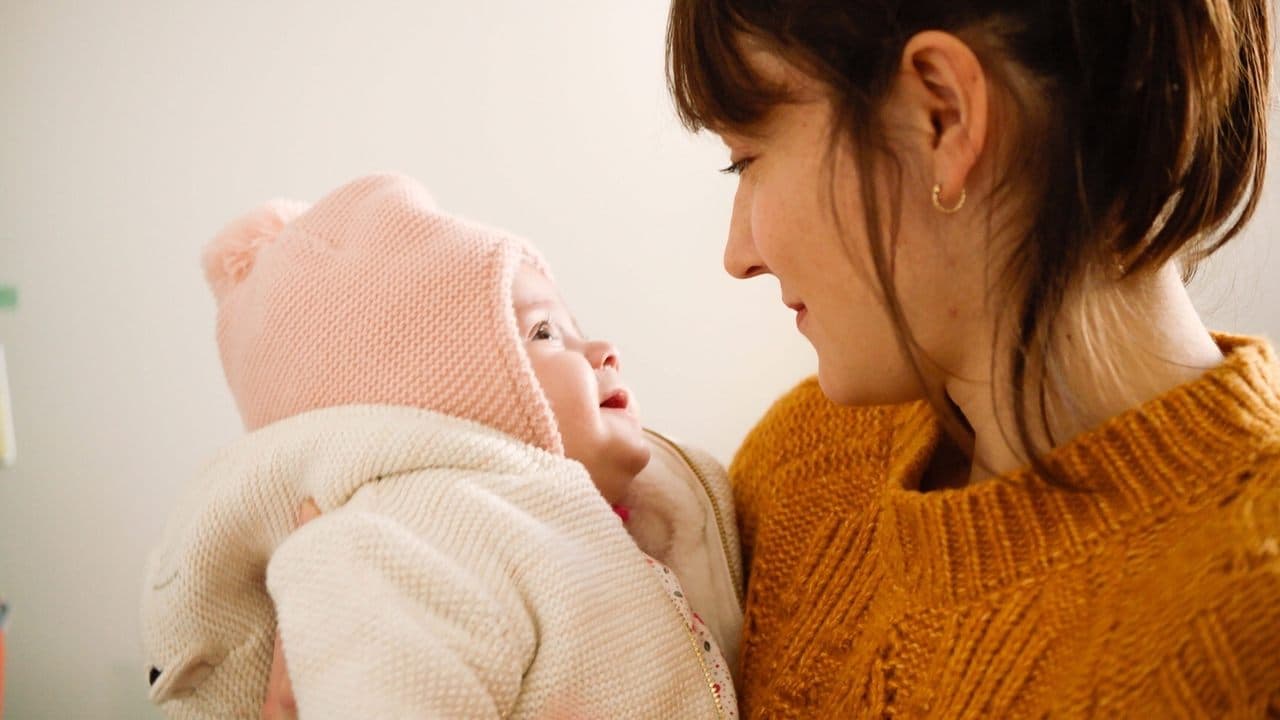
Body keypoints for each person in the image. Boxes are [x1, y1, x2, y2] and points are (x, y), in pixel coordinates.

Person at [666, 0, 1280, 716]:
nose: (737, 255)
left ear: (944, 116)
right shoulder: (799, 472)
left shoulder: (1255, 621)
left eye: (746, 159)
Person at [140, 173, 741, 719]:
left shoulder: (638, 518)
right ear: (448, 395)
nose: (605, 351)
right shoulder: (401, 550)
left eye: (576, 328)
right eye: (544, 331)